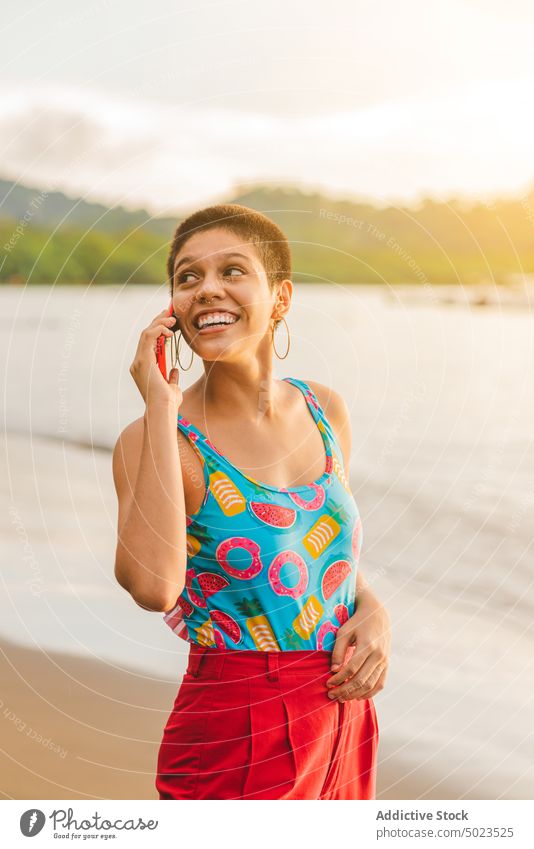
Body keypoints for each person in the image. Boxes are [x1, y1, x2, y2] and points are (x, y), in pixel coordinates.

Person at [112, 203, 391, 800]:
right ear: (173, 311)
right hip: (237, 729)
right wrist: (160, 405)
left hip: (343, 722)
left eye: (232, 270)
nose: (207, 288)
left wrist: (372, 608)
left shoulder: (324, 410)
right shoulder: (157, 437)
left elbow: (311, 558)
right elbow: (151, 587)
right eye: (187, 278)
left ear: (281, 298)